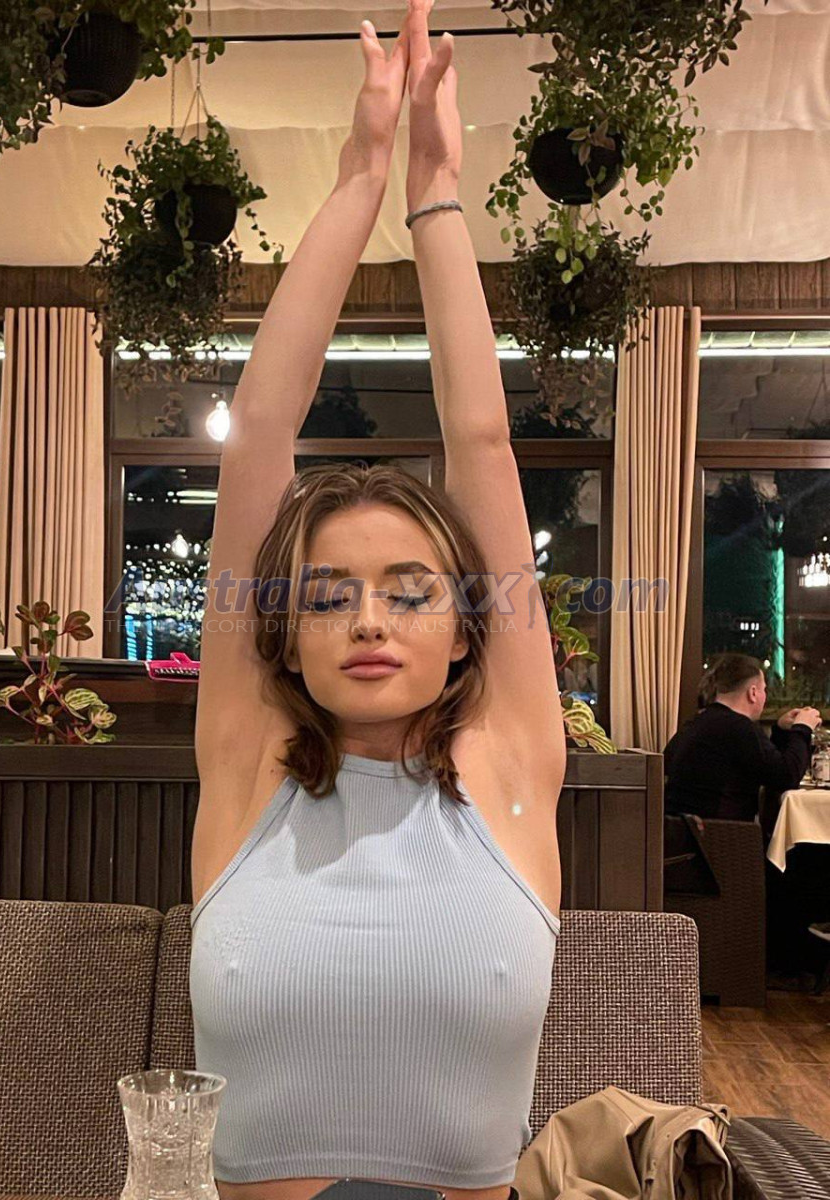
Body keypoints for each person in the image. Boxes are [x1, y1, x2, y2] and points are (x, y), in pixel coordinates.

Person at [188, 4, 567, 1200]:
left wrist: (435, 194)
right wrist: (357, 174)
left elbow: (483, 438)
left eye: (409, 595)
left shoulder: (511, 765)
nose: (367, 619)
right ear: (286, 633)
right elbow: (259, 436)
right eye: (329, 596)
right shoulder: (245, 765)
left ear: (464, 634)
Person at [663, 652, 822, 824]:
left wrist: (781, 730)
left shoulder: (696, 723)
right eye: (764, 689)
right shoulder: (738, 727)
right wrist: (803, 728)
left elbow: (765, 766)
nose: (765, 696)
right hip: (723, 834)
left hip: (681, 833)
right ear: (753, 693)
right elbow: (787, 777)